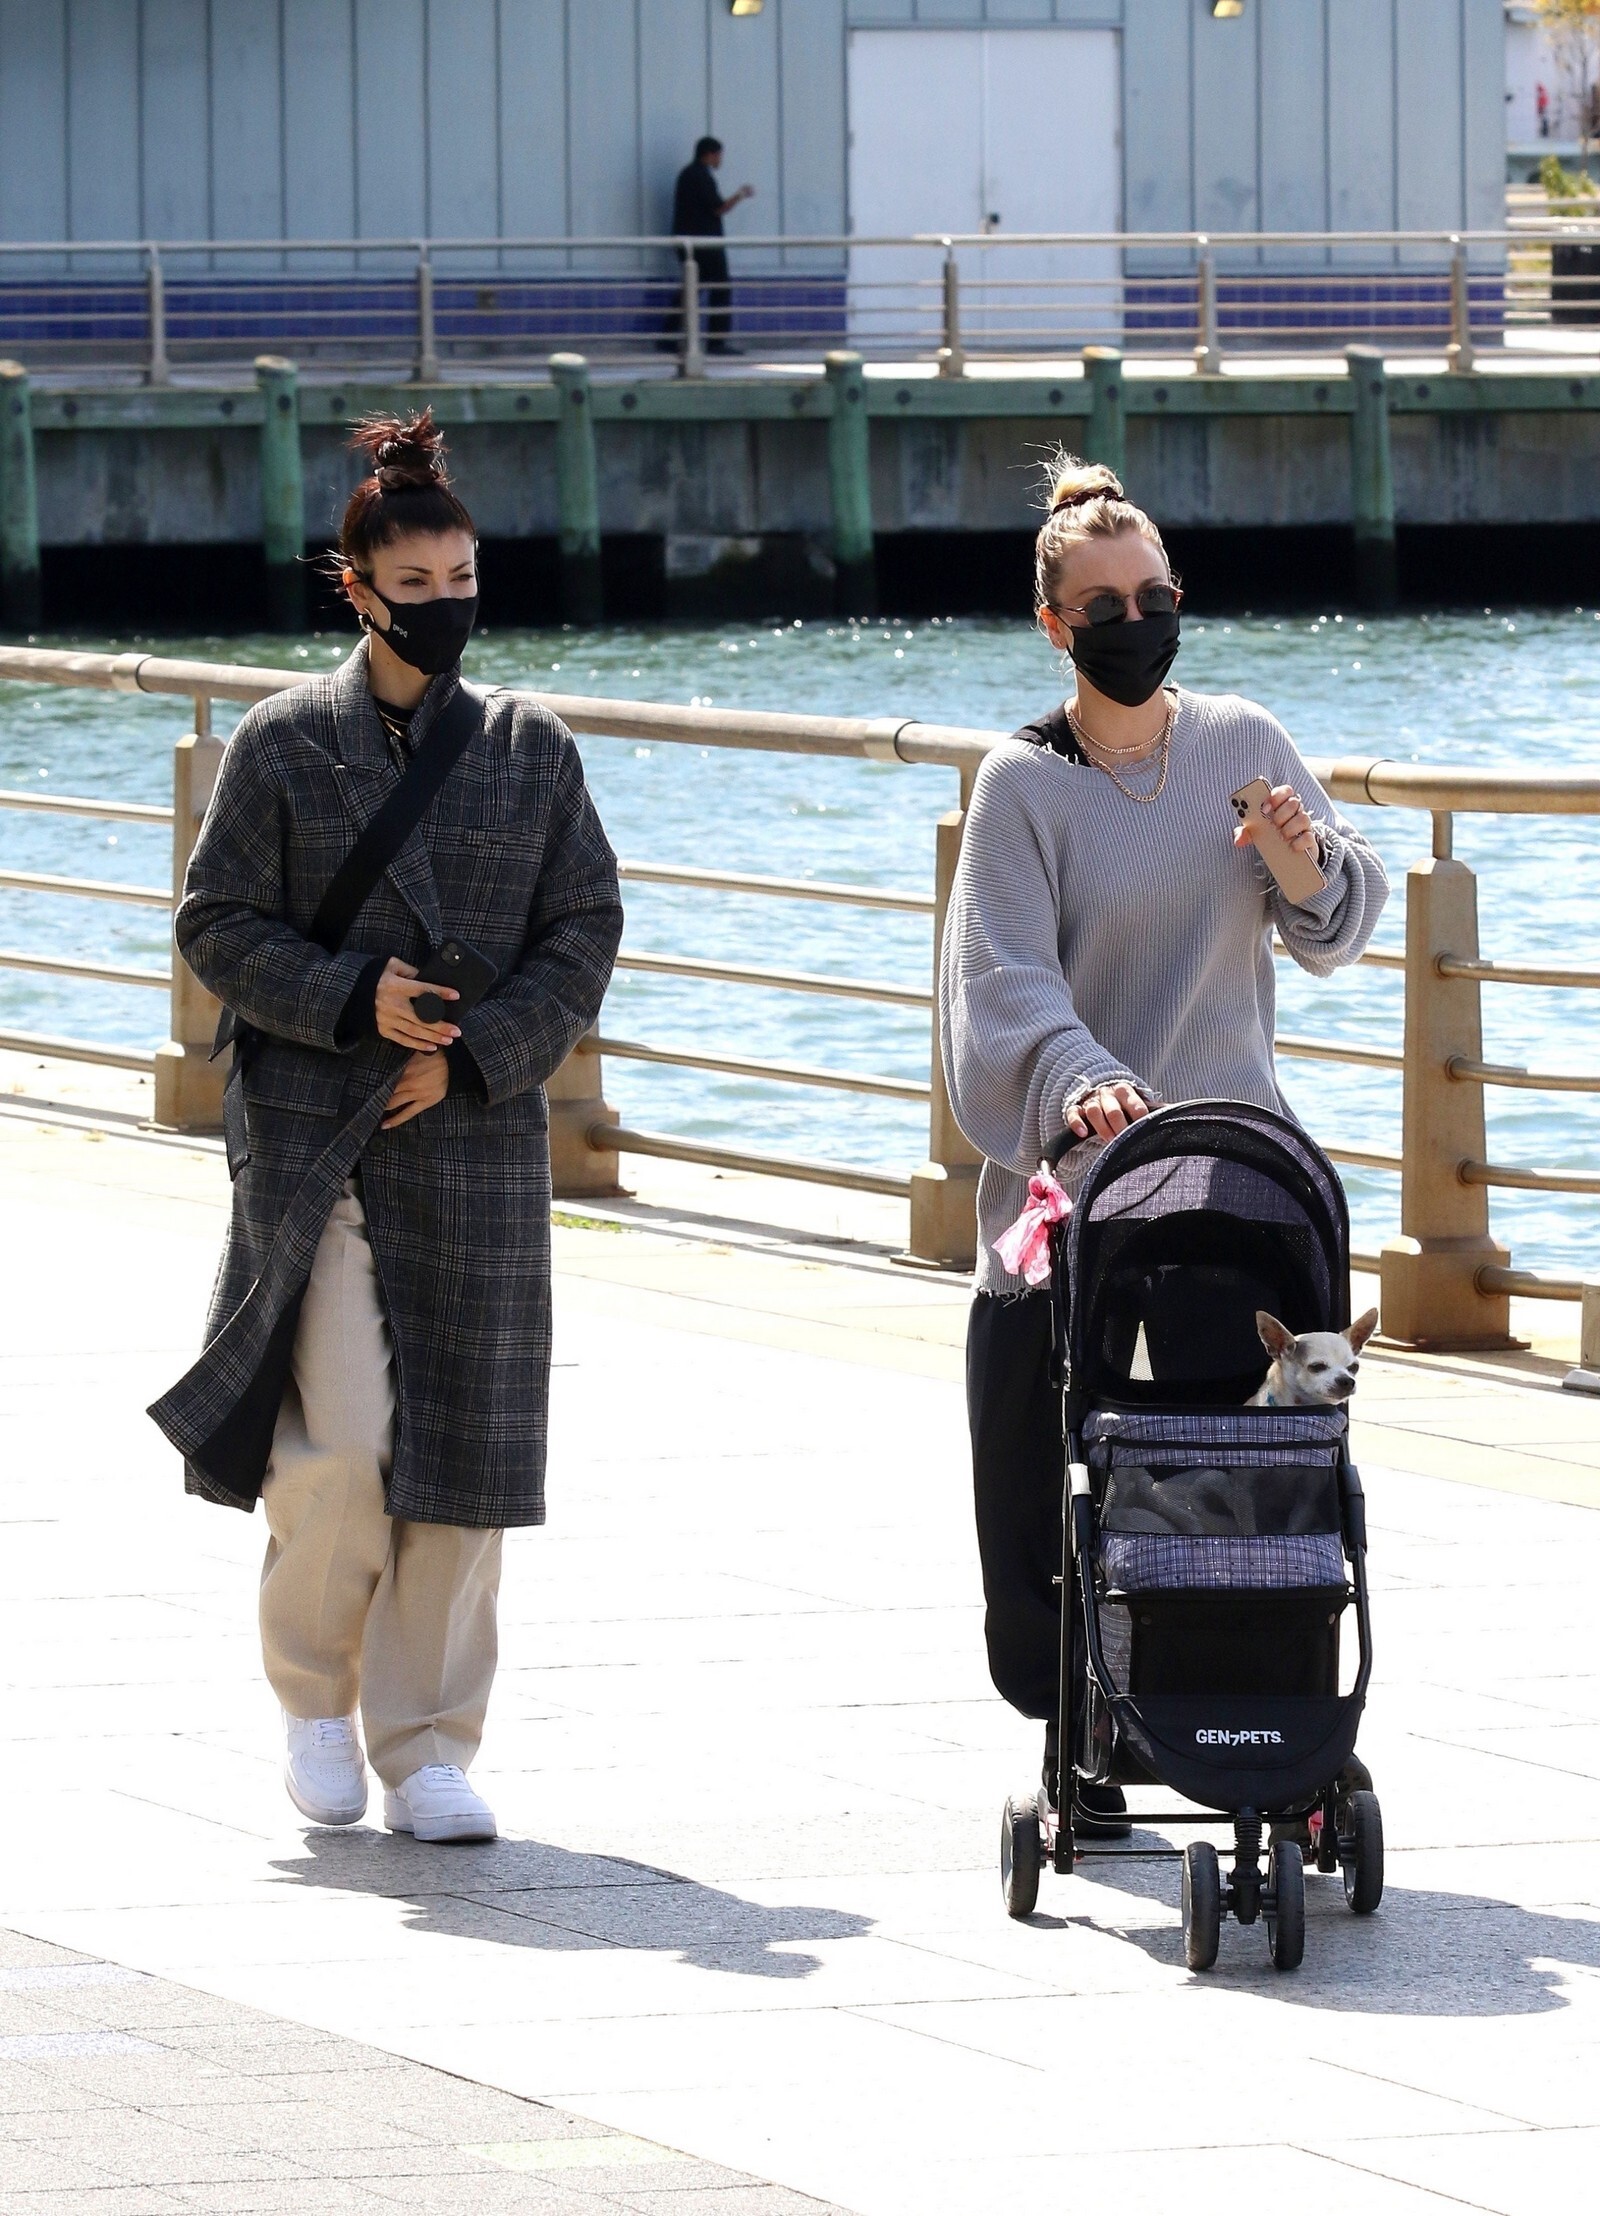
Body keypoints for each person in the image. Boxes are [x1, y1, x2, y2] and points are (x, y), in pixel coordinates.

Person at [150, 414, 623, 1844]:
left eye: (461, 577)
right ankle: (315, 1696)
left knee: (465, 1460)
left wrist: (475, 1055)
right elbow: (214, 923)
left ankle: (428, 1746)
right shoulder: (286, 740)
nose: (444, 603)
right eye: (414, 584)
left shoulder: (532, 748)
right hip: (319, 1136)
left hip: (474, 1140)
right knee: (340, 1447)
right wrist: (360, 999)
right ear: (357, 589)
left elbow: (584, 927)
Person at [939, 453, 1389, 1829]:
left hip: (1234, 1174)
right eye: (1104, 605)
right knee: (1045, 1442)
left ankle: (1266, 1699)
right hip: (1081, 1177)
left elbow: (1334, 926)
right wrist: (1080, 1077)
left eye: (1155, 596)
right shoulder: (1023, 784)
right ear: (1053, 624)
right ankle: (1083, 1712)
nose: (1136, 620)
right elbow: (1004, 977)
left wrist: (1304, 855)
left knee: (1243, 1455)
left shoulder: (1243, 741)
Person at [667, 134, 755, 356]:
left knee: (691, 289)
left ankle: (667, 337)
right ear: (709, 154)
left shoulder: (688, 174)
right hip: (704, 244)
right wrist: (740, 195)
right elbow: (718, 208)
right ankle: (716, 341)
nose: (720, 160)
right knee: (720, 288)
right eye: (718, 156)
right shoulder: (700, 176)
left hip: (690, 242)